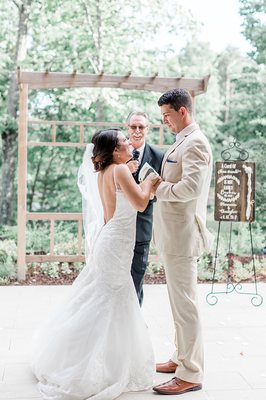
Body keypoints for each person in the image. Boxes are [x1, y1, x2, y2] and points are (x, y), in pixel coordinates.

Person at [30, 128, 161, 400]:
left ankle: (101, 358)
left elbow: (116, 209)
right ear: (115, 149)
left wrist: (133, 172)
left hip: (111, 239)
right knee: (109, 300)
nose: (130, 142)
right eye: (125, 140)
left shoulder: (107, 171)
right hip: (116, 244)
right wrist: (150, 182)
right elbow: (139, 203)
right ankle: (96, 365)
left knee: (106, 299)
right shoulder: (121, 171)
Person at [152, 89, 213, 395]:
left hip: (183, 236)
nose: (165, 122)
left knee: (186, 307)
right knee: (179, 305)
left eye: (167, 116)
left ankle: (191, 373)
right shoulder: (182, 141)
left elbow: (189, 188)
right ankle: (180, 358)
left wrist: (157, 187)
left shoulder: (197, 143)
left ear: (182, 111)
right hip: (172, 236)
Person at [126, 111, 164, 306]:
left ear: (147, 129)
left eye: (141, 127)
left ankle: (135, 323)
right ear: (127, 128)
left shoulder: (159, 156)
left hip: (142, 226)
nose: (137, 131)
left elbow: (163, 189)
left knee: (137, 278)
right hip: (119, 226)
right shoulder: (117, 153)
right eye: (133, 127)